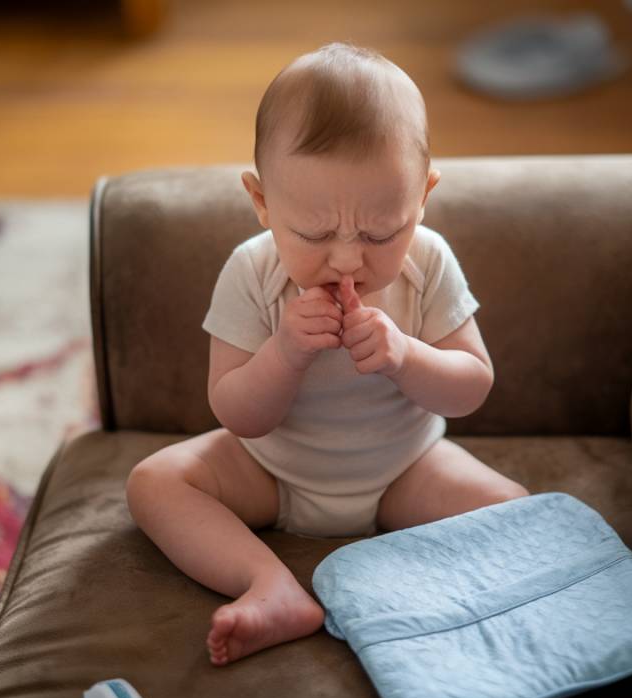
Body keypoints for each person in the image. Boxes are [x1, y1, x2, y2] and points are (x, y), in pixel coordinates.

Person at [126, 42, 528, 666]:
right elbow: (237, 413)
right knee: (155, 483)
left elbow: (472, 385)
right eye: (313, 234)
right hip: (270, 470)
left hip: (405, 469)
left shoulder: (428, 264)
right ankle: (270, 586)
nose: (346, 259)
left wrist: (405, 356)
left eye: (379, 233)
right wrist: (284, 352)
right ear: (261, 203)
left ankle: (426, 609)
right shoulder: (252, 273)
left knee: (519, 513)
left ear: (423, 195)